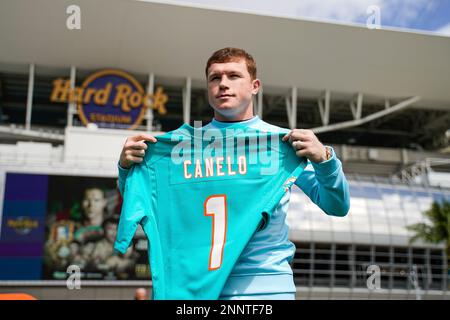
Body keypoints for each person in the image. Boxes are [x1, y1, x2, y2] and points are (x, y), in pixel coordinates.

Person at [117, 47, 350, 300]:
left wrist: (326, 160)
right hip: (195, 290)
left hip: (265, 290)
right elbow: (148, 201)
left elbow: (337, 206)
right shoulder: (178, 148)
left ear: (255, 85)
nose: (223, 84)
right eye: (215, 78)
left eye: (233, 76)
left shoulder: (283, 144)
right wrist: (127, 169)